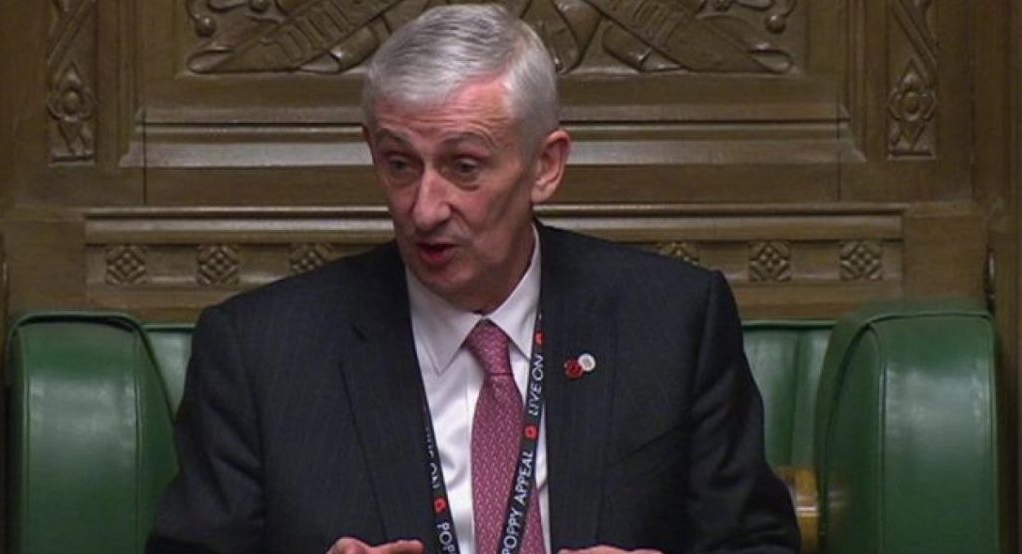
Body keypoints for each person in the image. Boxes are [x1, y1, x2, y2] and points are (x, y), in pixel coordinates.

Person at [147, 4, 799, 554]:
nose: (424, 209)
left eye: (464, 166)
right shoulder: (259, 353)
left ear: (546, 166)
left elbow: (757, 543)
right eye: (400, 165)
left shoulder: (673, 322)